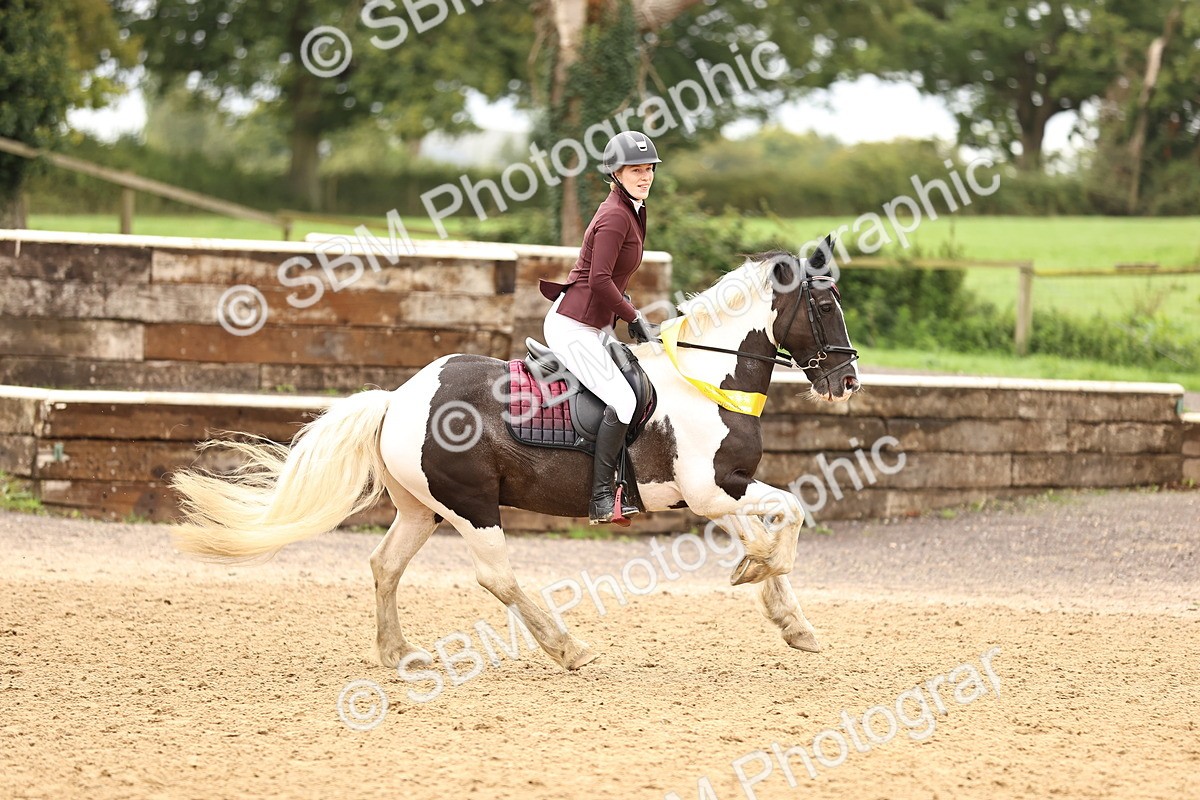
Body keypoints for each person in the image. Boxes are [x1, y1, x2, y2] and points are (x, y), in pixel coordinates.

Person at [538, 130, 661, 525]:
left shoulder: (634, 209)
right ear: (616, 173)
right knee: (623, 401)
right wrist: (633, 316)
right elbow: (599, 281)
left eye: (649, 169)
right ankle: (601, 498)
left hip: (592, 326)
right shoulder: (613, 216)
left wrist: (630, 315)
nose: (645, 177)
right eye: (636, 170)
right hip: (572, 327)